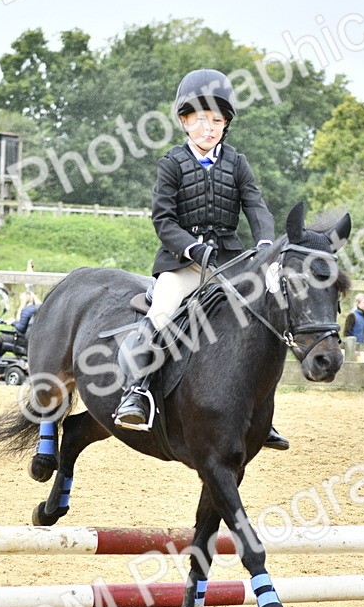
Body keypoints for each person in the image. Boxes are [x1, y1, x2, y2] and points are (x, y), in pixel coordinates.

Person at [112, 68, 289, 450]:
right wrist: (192, 248)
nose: (209, 128)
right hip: (183, 264)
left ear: (226, 125)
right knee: (160, 314)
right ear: (184, 121)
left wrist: (264, 242)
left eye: (217, 121)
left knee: (261, 320)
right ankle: (137, 392)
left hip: (229, 262)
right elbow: (163, 220)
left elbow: (256, 206)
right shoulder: (171, 164)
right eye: (201, 120)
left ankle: (262, 416)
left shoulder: (237, 163)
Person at [0, 299, 39, 368]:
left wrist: (13, 323)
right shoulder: (38, 308)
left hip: (25, 341)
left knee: (1, 338)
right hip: (34, 341)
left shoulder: (27, 310)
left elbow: (21, 328)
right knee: (4, 342)